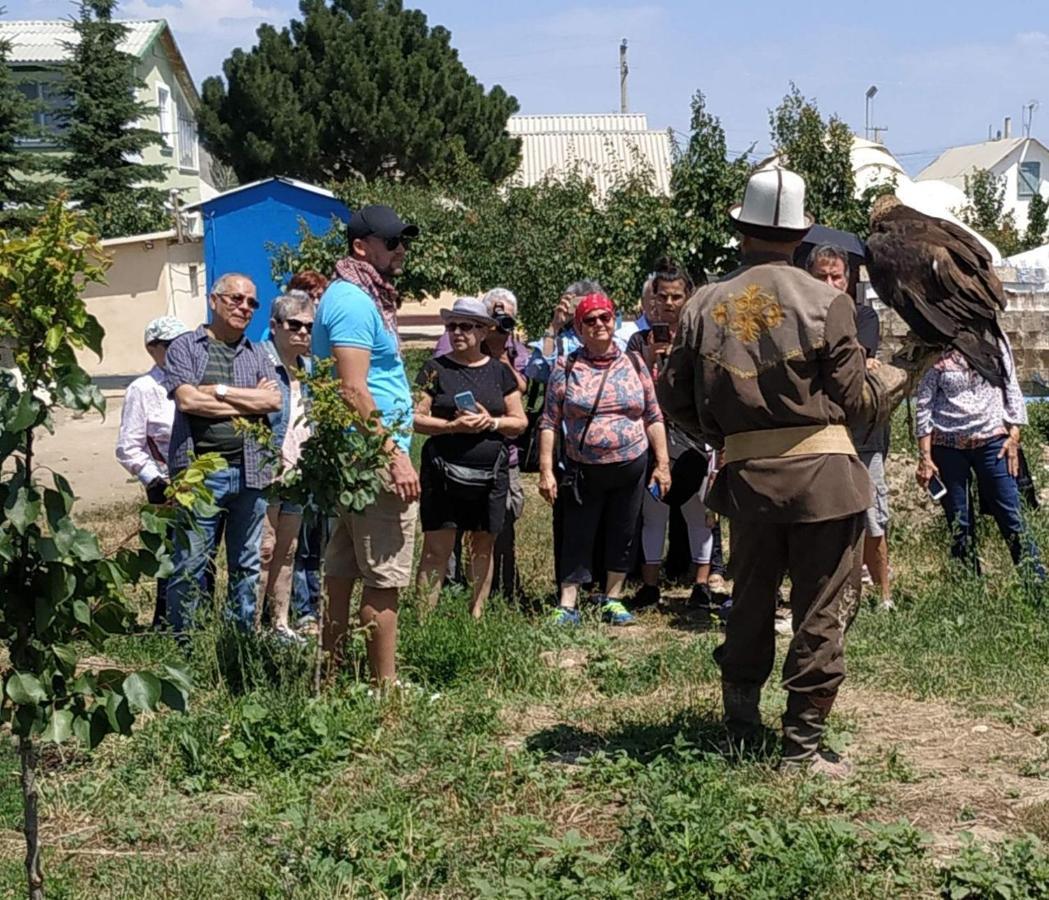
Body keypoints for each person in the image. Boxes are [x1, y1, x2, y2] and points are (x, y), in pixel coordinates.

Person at [658, 167, 905, 776]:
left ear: (741, 229)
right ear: (800, 234)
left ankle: (741, 724)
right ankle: (802, 747)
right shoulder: (828, 302)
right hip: (824, 480)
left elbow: (673, 394)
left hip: (746, 481)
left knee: (748, 599)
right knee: (820, 606)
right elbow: (856, 401)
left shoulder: (703, 304)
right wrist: (895, 380)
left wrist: (728, 435)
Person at [312, 204, 420, 687]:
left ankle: (333, 679)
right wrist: (394, 455)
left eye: (403, 241)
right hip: (373, 458)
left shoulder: (353, 295)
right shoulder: (354, 301)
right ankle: (385, 690)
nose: (401, 250)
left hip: (356, 455)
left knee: (342, 571)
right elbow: (353, 388)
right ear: (361, 247)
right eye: (392, 242)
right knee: (384, 577)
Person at [538, 292, 671, 626]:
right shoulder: (566, 367)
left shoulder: (635, 362)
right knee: (577, 532)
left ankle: (612, 597)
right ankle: (568, 602)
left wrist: (662, 464)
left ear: (615, 321)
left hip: (631, 465)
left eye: (605, 317)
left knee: (623, 530)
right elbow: (549, 422)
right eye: (590, 320)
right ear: (579, 328)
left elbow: (653, 416)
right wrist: (545, 470)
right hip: (583, 468)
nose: (599, 324)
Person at [165, 273, 282, 635]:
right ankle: (187, 643)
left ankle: (239, 641)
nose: (244, 307)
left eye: (251, 302)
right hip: (199, 473)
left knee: (247, 564)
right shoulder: (185, 347)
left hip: (250, 472)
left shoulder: (259, 353)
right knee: (191, 563)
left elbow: (273, 401)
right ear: (214, 301)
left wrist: (216, 391)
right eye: (235, 299)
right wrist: (248, 402)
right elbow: (187, 400)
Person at [413, 298, 528, 616]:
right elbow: (415, 417)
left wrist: (490, 422)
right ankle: (424, 621)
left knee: (482, 546)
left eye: (465, 326)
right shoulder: (434, 369)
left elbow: (519, 422)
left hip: (489, 474)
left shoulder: (499, 373)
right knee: (436, 548)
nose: (457, 332)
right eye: (451, 326)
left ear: (484, 331)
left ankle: (475, 617)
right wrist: (452, 426)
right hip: (442, 473)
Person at [807, 244, 894, 609]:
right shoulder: (804, 317)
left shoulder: (863, 315)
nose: (830, 282)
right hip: (820, 432)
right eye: (821, 276)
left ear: (848, 278)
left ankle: (884, 595)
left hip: (863, 432)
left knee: (873, 512)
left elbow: (858, 358)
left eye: (836, 275)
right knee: (823, 515)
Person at [627, 263, 717, 610]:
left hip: (696, 436)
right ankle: (650, 586)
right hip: (655, 437)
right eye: (661, 296)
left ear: (688, 297)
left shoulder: (700, 336)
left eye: (675, 296)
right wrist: (650, 359)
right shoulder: (639, 339)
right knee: (655, 513)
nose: (668, 303)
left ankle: (702, 585)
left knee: (700, 513)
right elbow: (629, 386)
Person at [915, 338, 1045, 578]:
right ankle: (968, 587)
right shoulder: (936, 343)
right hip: (948, 447)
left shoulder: (994, 340)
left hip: (993, 444)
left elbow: (1010, 383)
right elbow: (924, 402)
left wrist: (1014, 433)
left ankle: (1036, 585)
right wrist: (925, 456)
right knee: (959, 522)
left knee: (1012, 515)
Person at [115, 316, 190, 628]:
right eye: (171, 345)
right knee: (168, 553)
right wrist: (156, 480)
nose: (179, 351)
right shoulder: (142, 389)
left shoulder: (194, 383)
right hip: (164, 484)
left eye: (183, 344)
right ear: (153, 349)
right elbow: (128, 446)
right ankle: (164, 620)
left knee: (200, 550)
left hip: (199, 479)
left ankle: (196, 617)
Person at [258, 292, 314, 642]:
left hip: (299, 470)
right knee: (263, 549)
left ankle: (280, 623)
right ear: (275, 326)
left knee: (289, 549)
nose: (303, 333)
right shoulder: (259, 362)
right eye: (295, 325)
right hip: (266, 470)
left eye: (309, 326)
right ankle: (251, 626)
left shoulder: (308, 368)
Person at [524, 279, 635, 384]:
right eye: (580, 307)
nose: (595, 319)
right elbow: (537, 371)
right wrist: (554, 326)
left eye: (602, 314)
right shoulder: (562, 344)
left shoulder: (620, 345)